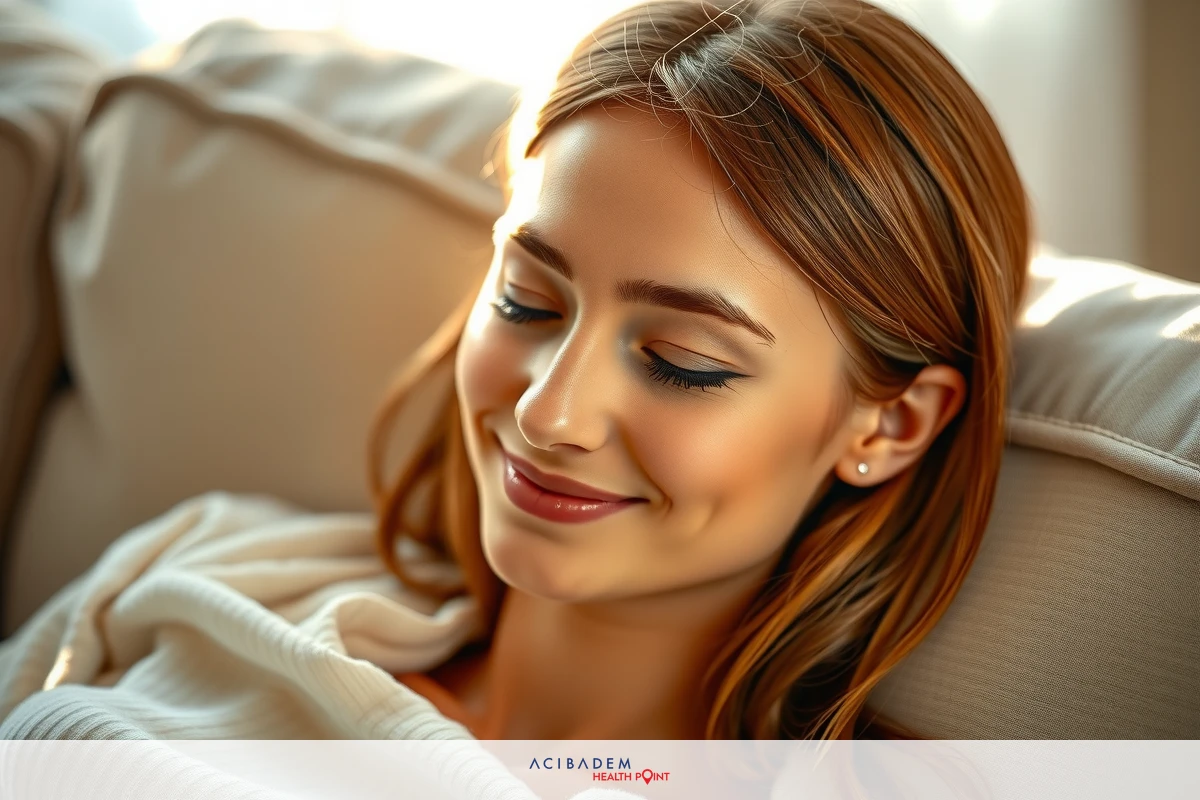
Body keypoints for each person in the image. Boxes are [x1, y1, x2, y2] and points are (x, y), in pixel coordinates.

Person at [0, 0, 1030, 747]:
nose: (548, 410)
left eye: (685, 363)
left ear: (888, 427)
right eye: (528, 301)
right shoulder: (215, 561)